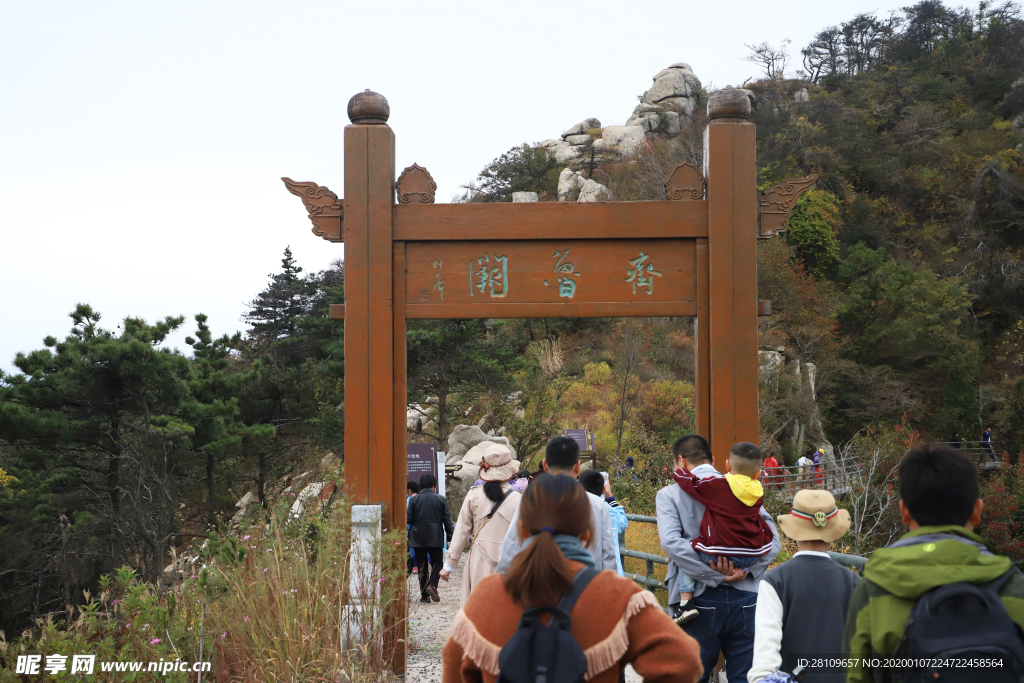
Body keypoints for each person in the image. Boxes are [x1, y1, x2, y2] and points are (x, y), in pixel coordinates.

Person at [442, 474, 704, 683]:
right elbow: (684, 663)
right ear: (587, 534)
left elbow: (454, 671)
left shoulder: (486, 597)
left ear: (520, 531)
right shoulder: (620, 597)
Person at [843, 444, 1024, 683]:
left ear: (904, 512)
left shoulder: (872, 591)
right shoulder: (1016, 587)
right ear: (977, 511)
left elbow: (855, 675)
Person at [657, 434, 781, 683]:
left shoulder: (669, 494)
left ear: (680, 461)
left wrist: (715, 574)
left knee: (692, 676)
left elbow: (672, 544)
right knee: (745, 677)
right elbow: (773, 542)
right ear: (714, 460)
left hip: (696, 601)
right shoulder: (742, 487)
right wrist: (745, 569)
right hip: (747, 595)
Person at [748, 489, 858, 683]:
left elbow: (766, 656)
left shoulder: (775, 581)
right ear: (833, 534)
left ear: (794, 532)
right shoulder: (853, 582)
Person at [670, 442, 776, 627]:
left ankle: (686, 601)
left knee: (689, 549)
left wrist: (679, 471)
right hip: (750, 557)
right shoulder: (757, 491)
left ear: (727, 465)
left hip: (718, 555)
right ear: (758, 473)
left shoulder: (719, 486)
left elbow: (692, 485)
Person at [496, 436, 618, 573]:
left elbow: (511, 548)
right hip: (588, 587)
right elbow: (608, 556)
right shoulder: (598, 505)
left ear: (545, 465)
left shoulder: (531, 499)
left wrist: (501, 585)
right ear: (577, 466)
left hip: (542, 586)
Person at [440, 444, 523, 603]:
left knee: (478, 606)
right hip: (511, 561)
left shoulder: (474, 494)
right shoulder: (520, 498)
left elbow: (461, 531)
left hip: (479, 558)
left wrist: (449, 565)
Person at [407, 473, 454, 603]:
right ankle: (432, 585)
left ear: (421, 486)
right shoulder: (440, 499)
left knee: (422, 566)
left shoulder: (414, 500)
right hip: (435, 536)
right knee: (437, 563)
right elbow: (447, 520)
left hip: (417, 537)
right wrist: (450, 536)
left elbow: (409, 518)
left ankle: (425, 596)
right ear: (434, 485)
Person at [580, 469, 629, 576]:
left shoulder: (573, 508)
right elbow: (624, 521)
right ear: (603, 490)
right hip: (612, 575)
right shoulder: (611, 511)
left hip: (583, 574)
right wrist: (610, 496)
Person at [407, 480, 421, 575]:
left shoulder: (409, 500)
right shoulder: (421, 498)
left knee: (411, 546)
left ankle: (414, 566)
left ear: (409, 490)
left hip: (411, 527)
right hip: (422, 527)